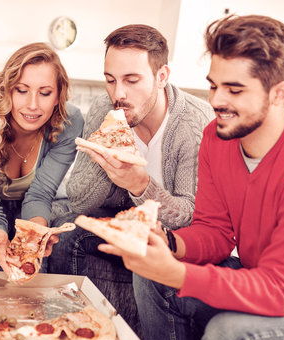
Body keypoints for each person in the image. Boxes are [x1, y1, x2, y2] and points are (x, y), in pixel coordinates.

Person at [99, 15, 284, 340]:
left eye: (235, 90)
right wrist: (167, 244)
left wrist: (178, 272)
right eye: (214, 85)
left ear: (278, 93)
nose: (217, 101)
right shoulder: (218, 136)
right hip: (261, 279)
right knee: (153, 278)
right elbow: (215, 231)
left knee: (231, 335)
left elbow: (280, 290)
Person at [49, 24, 213, 282]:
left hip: (169, 239)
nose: (118, 94)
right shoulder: (106, 107)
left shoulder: (195, 123)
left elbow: (190, 217)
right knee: (65, 229)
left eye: (131, 80)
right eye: (110, 80)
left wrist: (140, 186)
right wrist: (107, 157)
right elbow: (79, 202)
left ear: (162, 76)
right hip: (119, 224)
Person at [0, 42, 84, 274]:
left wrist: (33, 238)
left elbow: (40, 194)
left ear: (58, 96)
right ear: (7, 91)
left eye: (45, 93)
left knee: (35, 266)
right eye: (22, 90)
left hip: (41, 203)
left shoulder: (70, 123)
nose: (32, 105)